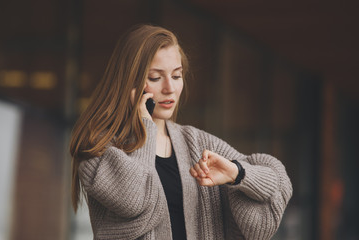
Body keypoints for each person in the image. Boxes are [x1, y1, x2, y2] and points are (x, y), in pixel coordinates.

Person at [70, 24, 292, 240]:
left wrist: (237, 174)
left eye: (176, 76)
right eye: (155, 77)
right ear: (130, 82)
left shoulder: (197, 143)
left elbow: (277, 181)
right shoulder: (98, 149)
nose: (170, 88)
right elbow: (135, 199)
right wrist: (145, 127)